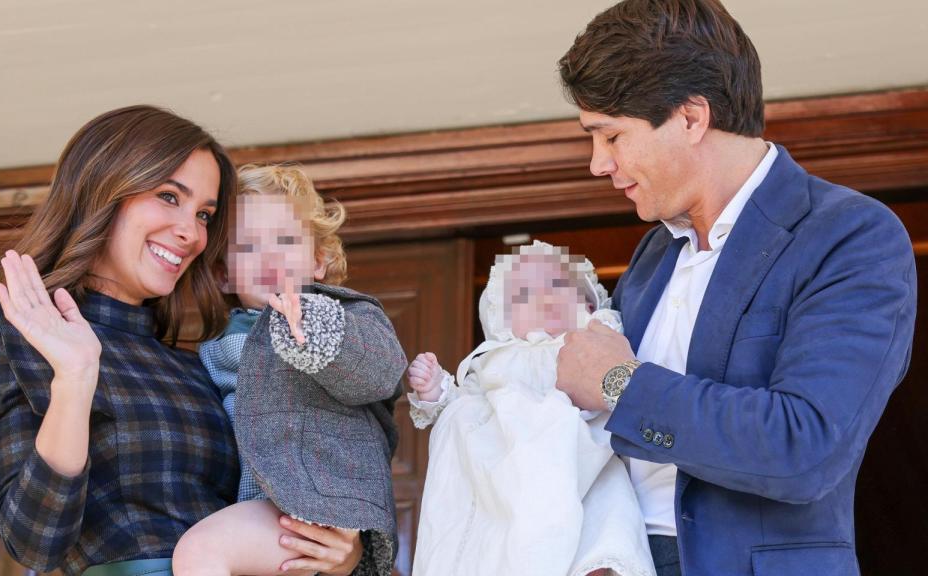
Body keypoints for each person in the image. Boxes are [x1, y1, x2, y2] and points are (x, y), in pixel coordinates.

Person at [0, 106, 367, 576]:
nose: (191, 232)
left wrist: (343, 557)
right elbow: (35, 542)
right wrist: (75, 380)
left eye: (204, 214)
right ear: (102, 191)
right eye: (168, 196)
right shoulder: (18, 333)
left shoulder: (201, 362)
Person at [554, 1, 917, 575]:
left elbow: (805, 448)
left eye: (612, 136)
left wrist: (618, 383)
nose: (598, 164)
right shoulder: (652, 255)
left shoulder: (850, 235)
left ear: (691, 118)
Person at [171, 164, 406, 576]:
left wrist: (314, 330)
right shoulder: (213, 348)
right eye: (248, 246)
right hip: (257, 505)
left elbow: (382, 373)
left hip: (319, 498)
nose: (268, 257)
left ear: (318, 261)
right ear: (225, 275)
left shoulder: (345, 315)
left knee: (201, 552)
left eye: (284, 241)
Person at [407, 241, 655, 576]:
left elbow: (615, 389)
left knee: (601, 520)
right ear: (502, 319)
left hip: (576, 462)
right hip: (506, 473)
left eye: (557, 285)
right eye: (524, 295)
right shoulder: (495, 359)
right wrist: (437, 390)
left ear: (589, 303)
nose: (544, 298)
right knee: (496, 537)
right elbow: (465, 412)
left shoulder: (590, 345)